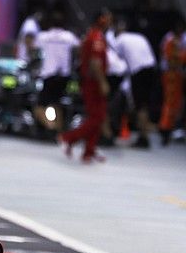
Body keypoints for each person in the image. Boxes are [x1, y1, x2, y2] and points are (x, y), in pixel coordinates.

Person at [59, 9, 112, 163]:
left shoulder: (96, 36)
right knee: (97, 117)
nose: (110, 22)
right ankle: (68, 138)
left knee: (99, 117)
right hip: (93, 82)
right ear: (101, 19)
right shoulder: (96, 38)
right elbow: (95, 63)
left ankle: (89, 151)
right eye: (108, 19)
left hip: (93, 80)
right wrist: (102, 82)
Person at [112, 19, 158, 148]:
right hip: (152, 70)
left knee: (140, 105)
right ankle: (144, 133)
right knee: (144, 104)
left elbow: (116, 61)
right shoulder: (139, 36)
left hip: (139, 72)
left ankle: (143, 138)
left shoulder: (120, 40)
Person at [34, 12, 80, 133]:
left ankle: (51, 127)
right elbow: (78, 48)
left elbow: (34, 48)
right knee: (56, 104)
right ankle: (59, 131)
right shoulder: (69, 36)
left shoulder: (44, 36)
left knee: (39, 107)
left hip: (49, 73)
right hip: (64, 74)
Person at [159, 19, 185, 146]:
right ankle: (165, 129)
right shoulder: (171, 41)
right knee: (170, 104)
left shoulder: (176, 40)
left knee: (175, 104)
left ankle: (169, 128)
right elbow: (171, 60)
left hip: (176, 75)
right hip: (171, 75)